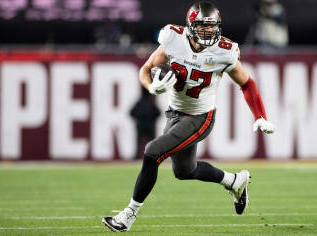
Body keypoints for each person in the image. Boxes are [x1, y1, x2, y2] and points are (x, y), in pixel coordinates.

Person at [102, 1, 275, 232]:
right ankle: (235, 181)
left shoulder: (224, 50)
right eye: (203, 26)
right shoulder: (173, 38)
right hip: (175, 112)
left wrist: (260, 115)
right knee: (184, 171)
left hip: (200, 117)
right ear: (191, 26)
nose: (210, 31)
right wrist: (151, 87)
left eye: (213, 27)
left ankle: (128, 215)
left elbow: (247, 83)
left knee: (152, 151)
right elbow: (145, 69)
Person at [130, 87, 161, 160]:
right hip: (150, 126)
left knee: (138, 142)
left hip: (140, 125)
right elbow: (158, 113)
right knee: (152, 143)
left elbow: (131, 113)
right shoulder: (151, 103)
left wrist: (138, 118)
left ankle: (137, 156)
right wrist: (153, 119)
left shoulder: (139, 102)